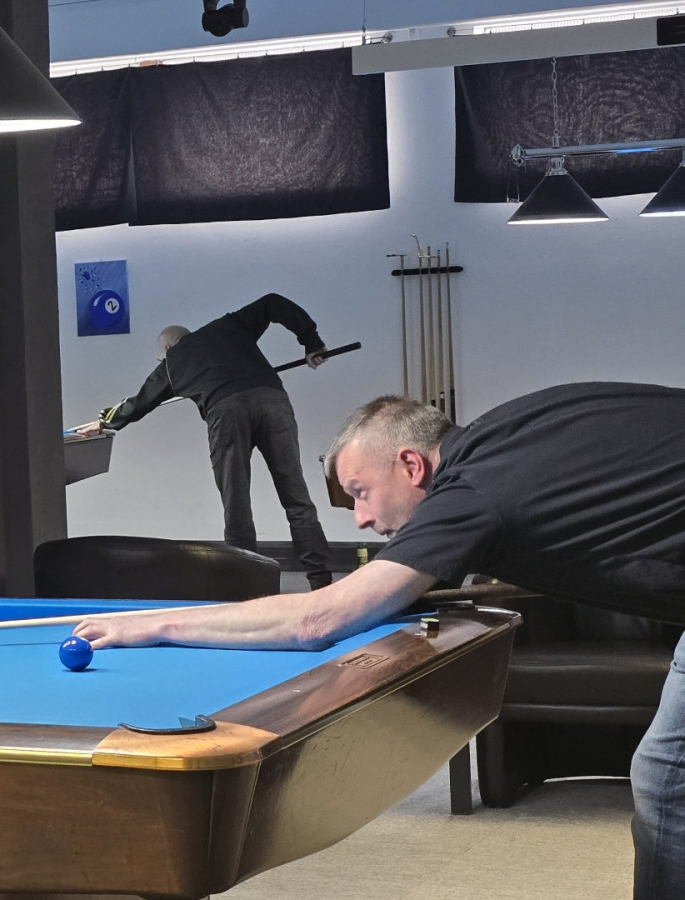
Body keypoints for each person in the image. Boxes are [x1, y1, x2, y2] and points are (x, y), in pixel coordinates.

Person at [73, 382, 685, 900]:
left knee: (667, 780)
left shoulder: (472, 493)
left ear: (411, 466)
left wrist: (155, 623)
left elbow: (317, 621)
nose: (361, 518)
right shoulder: (507, 429)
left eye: (360, 492)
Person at [74, 293, 335, 589]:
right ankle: (321, 580)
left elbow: (139, 402)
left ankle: (246, 587)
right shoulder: (229, 326)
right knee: (296, 496)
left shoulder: (172, 362)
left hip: (226, 412)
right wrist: (311, 341)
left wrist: (105, 422)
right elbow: (272, 302)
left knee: (236, 505)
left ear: (168, 349)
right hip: (273, 402)